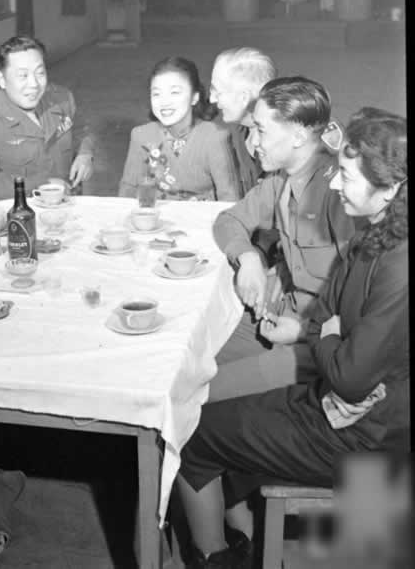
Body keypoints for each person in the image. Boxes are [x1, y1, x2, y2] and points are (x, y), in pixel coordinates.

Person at [175, 108, 408, 569]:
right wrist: (331, 333)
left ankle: (216, 557)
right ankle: (242, 540)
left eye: (346, 176)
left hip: (364, 434)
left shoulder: (397, 266)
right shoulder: (375, 236)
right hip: (339, 404)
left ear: (390, 189)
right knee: (220, 414)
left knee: (190, 433)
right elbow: (324, 321)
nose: (335, 184)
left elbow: (349, 377)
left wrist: (329, 334)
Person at [209, 77, 355, 401]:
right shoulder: (282, 178)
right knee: (192, 362)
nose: (254, 142)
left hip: (320, 346)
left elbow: (365, 309)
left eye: (261, 130)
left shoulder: (340, 195)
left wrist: (303, 331)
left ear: (299, 136)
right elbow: (228, 220)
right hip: (282, 314)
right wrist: (248, 258)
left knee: (206, 394)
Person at [0, 35, 95, 201]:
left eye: (40, 73)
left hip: (67, 206)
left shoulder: (61, 98)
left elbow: (81, 128)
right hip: (17, 211)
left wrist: (85, 154)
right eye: (23, 75)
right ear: (2, 79)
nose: (34, 84)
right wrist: (41, 185)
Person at [118, 57, 239, 201]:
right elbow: (128, 191)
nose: (164, 102)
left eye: (174, 92)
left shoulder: (215, 137)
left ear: (194, 98)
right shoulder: (141, 135)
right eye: (156, 94)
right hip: (156, 214)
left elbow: (229, 197)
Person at [209, 48, 277, 198]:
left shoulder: (291, 141)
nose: (212, 99)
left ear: (244, 98)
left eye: (218, 92)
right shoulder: (235, 136)